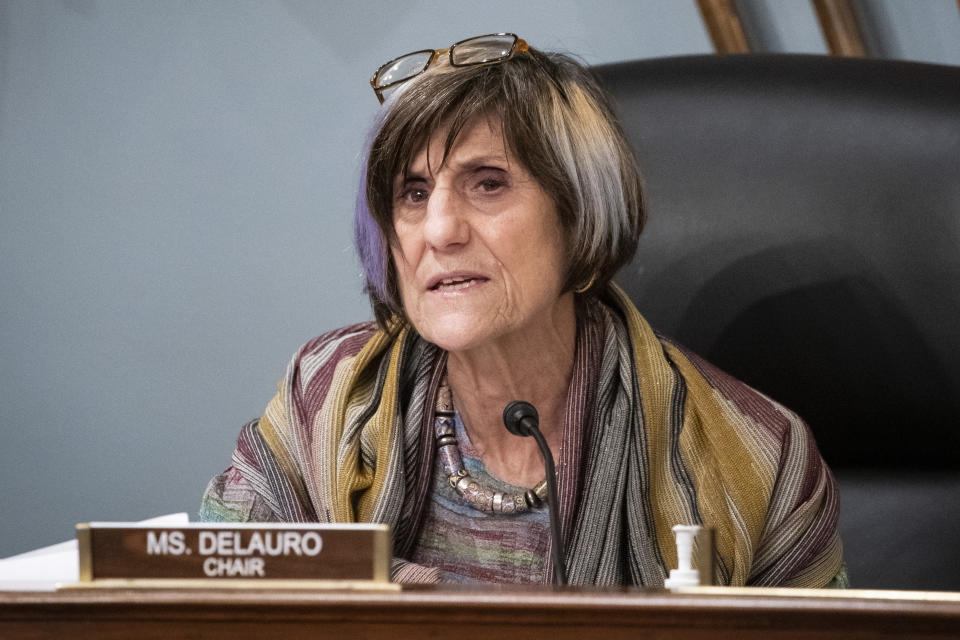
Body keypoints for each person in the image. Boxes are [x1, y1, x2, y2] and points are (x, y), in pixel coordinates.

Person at [200, 33, 846, 587]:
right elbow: (210, 598)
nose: (440, 230)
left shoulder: (763, 457)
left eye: (488, 183)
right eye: (413, 193)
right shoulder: (323, 395)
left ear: (579, 213)